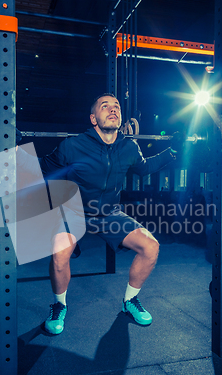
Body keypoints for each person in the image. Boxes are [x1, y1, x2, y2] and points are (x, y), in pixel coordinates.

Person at [17, 94, 181, 335]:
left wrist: (172, 151)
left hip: (109, 214)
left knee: (151, 247)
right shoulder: (72, 146)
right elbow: (42, 168)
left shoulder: (129, 147)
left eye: (116, 107)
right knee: (59, 254)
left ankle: (130, 301)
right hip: (74, 213)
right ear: (93, 118)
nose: (112, 109)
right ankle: (59, 305)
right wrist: (14, 147)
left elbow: (144, 168)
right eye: (105, 106)